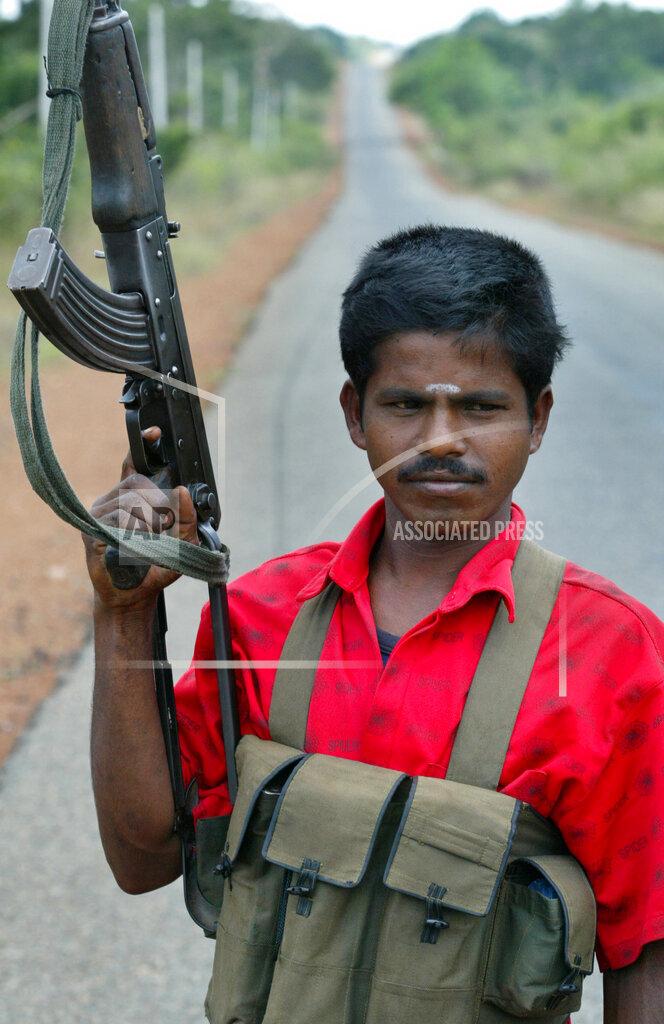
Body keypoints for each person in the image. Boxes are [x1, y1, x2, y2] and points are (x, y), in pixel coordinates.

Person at [84, 225, 664, 1023]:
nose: (440, 441)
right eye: (404, 405)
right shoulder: (263, 615)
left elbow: (646, 944)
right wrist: (124, 612)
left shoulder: (610, 650)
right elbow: (143, 856)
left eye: (482, 407)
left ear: (539, 418)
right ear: (356, 415)